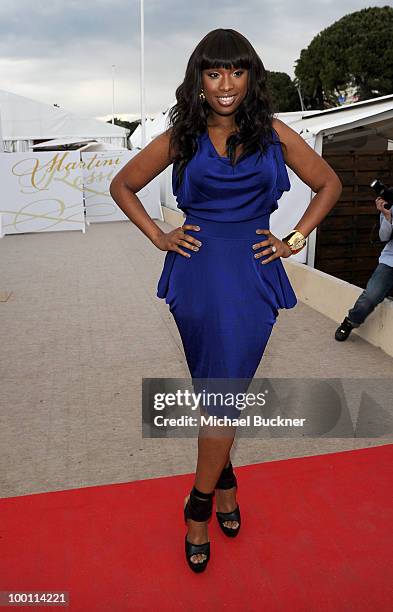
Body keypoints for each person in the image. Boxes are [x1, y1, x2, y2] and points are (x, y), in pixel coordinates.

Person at [109, 28, 342, 573]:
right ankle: (226, 481)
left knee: (221, 395)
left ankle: (198, 504)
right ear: (198, 81)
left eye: (236, 72)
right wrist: (159, 236)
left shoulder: (276, 134)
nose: (226, 85)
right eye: (214, 73)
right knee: (216, 390)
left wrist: (294, 240)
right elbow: (123, 185)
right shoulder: (180, 137)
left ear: (251, 77)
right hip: (195, 272)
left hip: (251, 273)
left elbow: (328, 184)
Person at [335, 195, 393, 341]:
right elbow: (383, 237)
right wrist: (386, 216)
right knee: (370, 296)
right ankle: (350, 322)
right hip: (390, 260)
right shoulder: (391, 205)